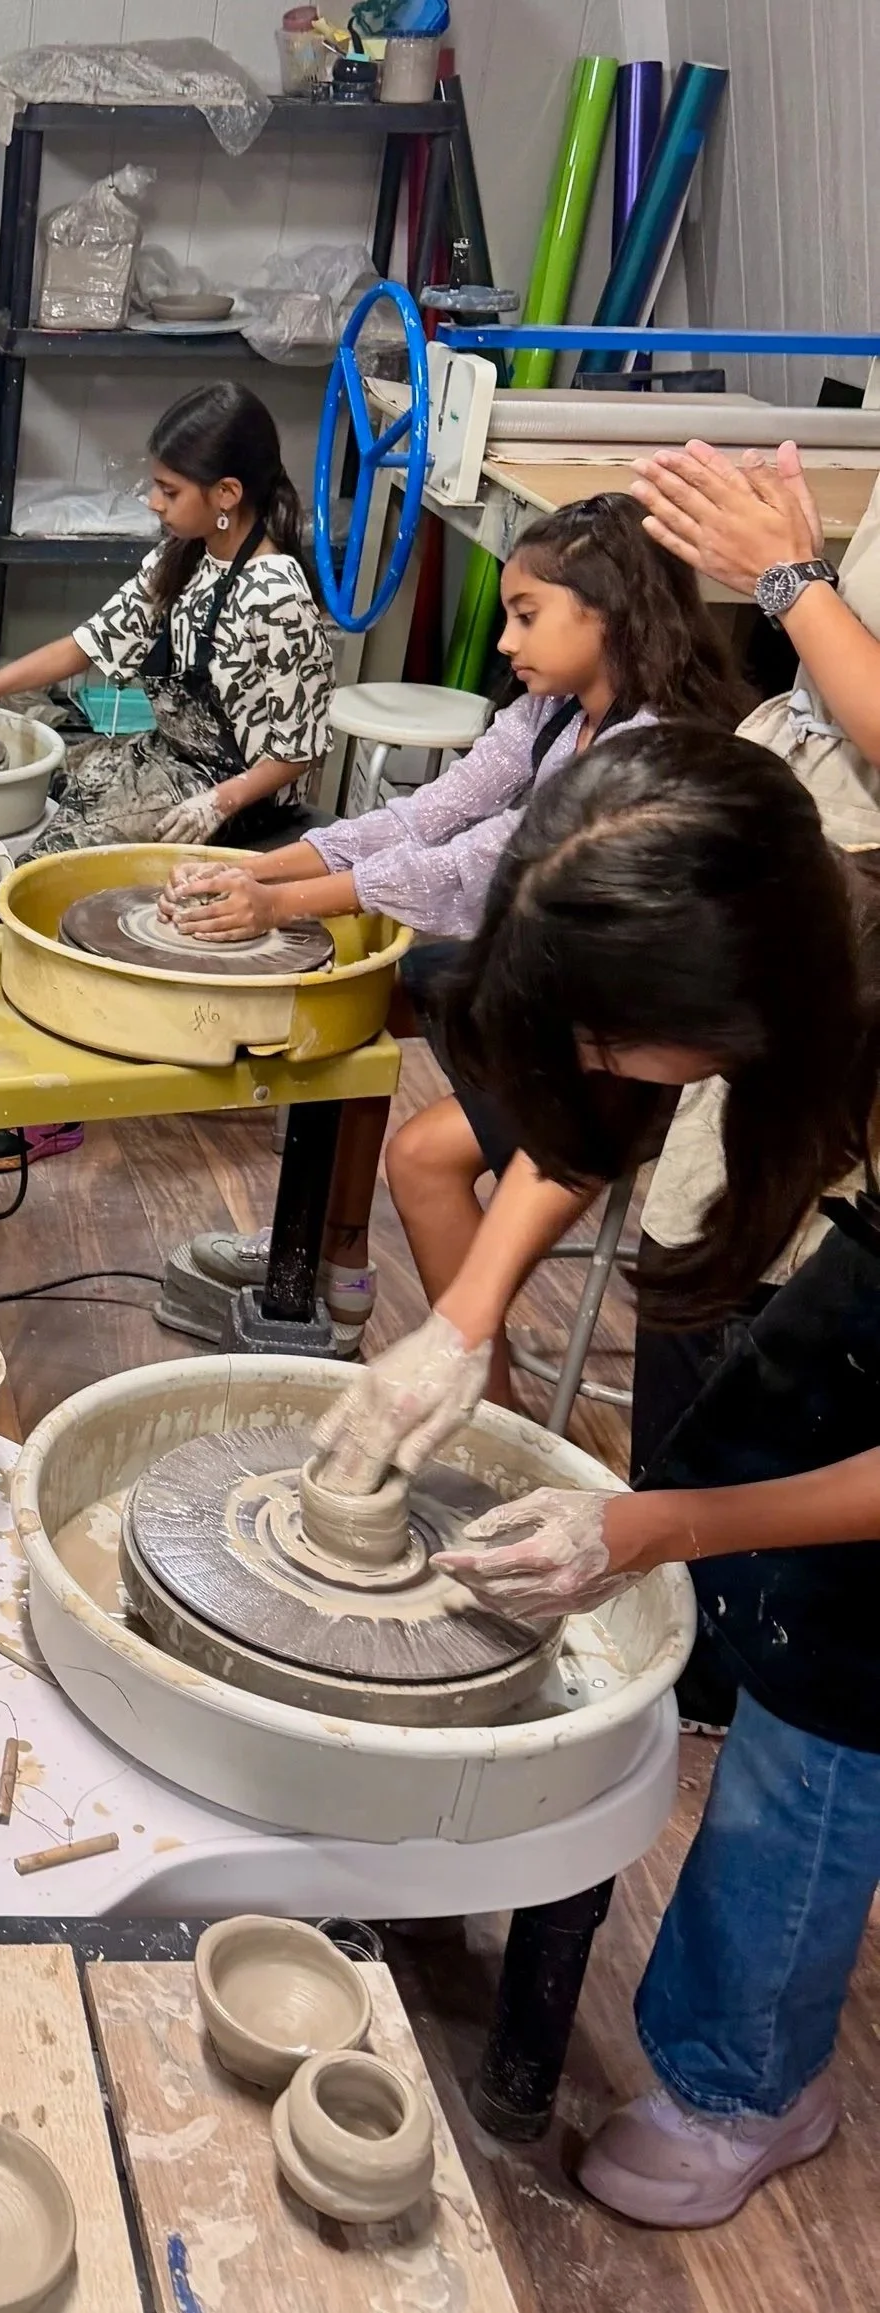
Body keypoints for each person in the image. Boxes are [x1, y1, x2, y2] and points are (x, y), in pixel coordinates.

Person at [317, 724, 880, 2231]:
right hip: (856, 1260)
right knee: (755, 1581)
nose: (590, 1064)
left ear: (737, 1014)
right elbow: (592, 1124)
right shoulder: (757, 945)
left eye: (607, 1036)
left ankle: (749, 2083)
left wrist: (654, 1524)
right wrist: (458, 1322)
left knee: (830, 1710)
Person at [168, 494, 742, 1374]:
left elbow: (479, 867)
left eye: (526, 616)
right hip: (552, 986)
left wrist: (282, 905)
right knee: (359, 998)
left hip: (630, 1046)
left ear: (612, 609)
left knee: (424, 1158)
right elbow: (429, 815)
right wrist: (262, 869)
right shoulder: (555, 710)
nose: (506, 641)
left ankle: (489, 1418)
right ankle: (333, 1261)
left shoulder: (654, 747)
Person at [624, 444, 880, 1520]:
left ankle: (712, 1672)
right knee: (697, 1234)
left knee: (766, 1307)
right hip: (812, 852)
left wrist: (789, 585)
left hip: (847, 905)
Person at [0, 381, 336, 858]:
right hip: (171, 755)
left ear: (227, 494)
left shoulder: (275, 596)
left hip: (240, 797)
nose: (154, 501)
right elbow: (86, 644)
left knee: (53, 857)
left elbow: (301, 751)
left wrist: (216, 803)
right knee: (27, 779)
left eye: (169, 490)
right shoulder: (182, 558)